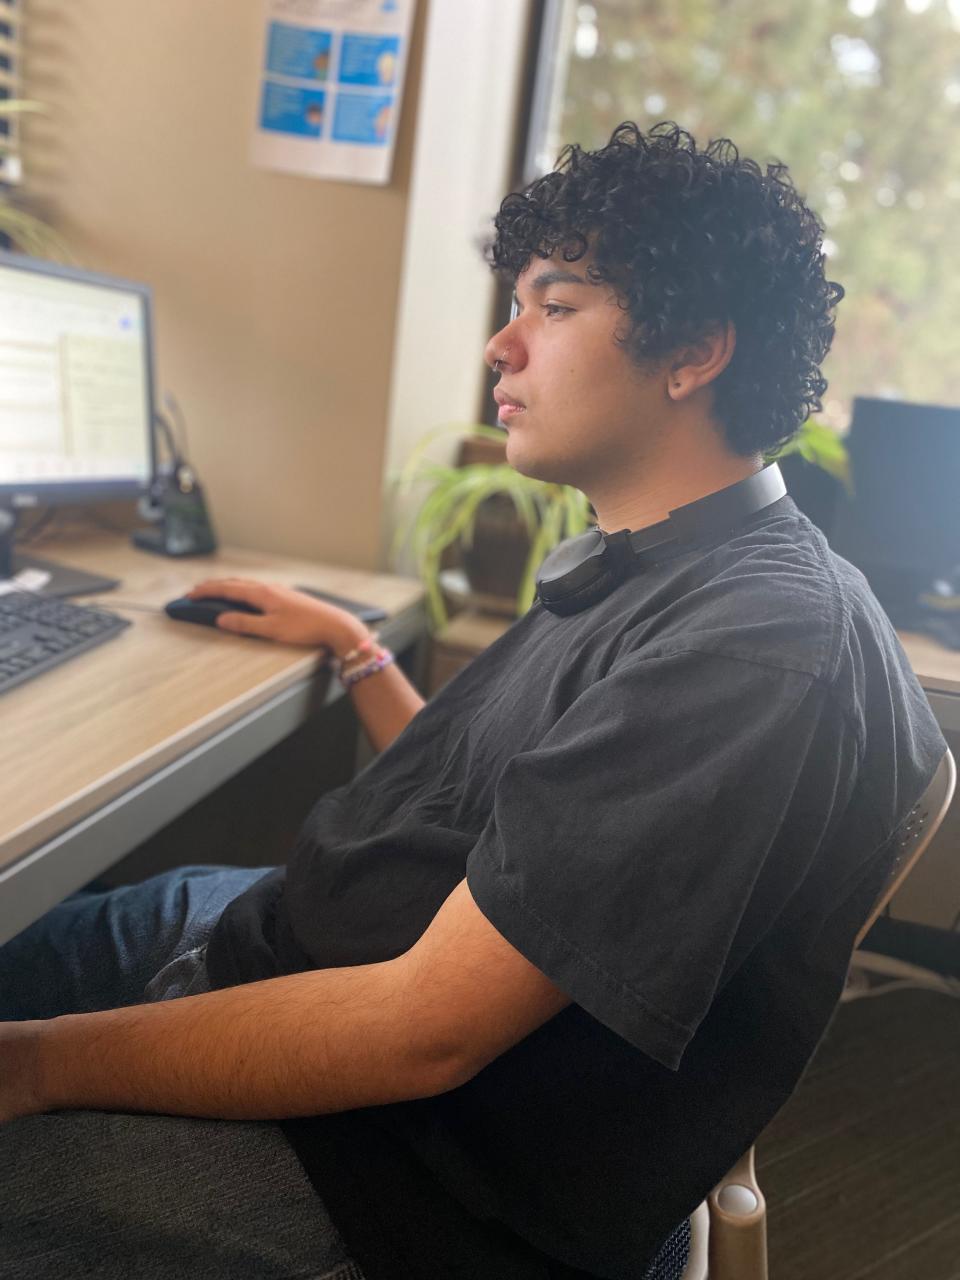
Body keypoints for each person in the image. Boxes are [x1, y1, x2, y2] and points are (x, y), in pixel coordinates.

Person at [0, 122, 947, 1280]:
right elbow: (522, 820)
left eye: (553, 306)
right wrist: (355, 646)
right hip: (289, 944)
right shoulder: (657, 554)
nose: (502, 345)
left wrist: (37, 1066)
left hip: (396, 1163)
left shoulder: (751, 645)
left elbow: (425, 1028)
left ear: (694, 348)